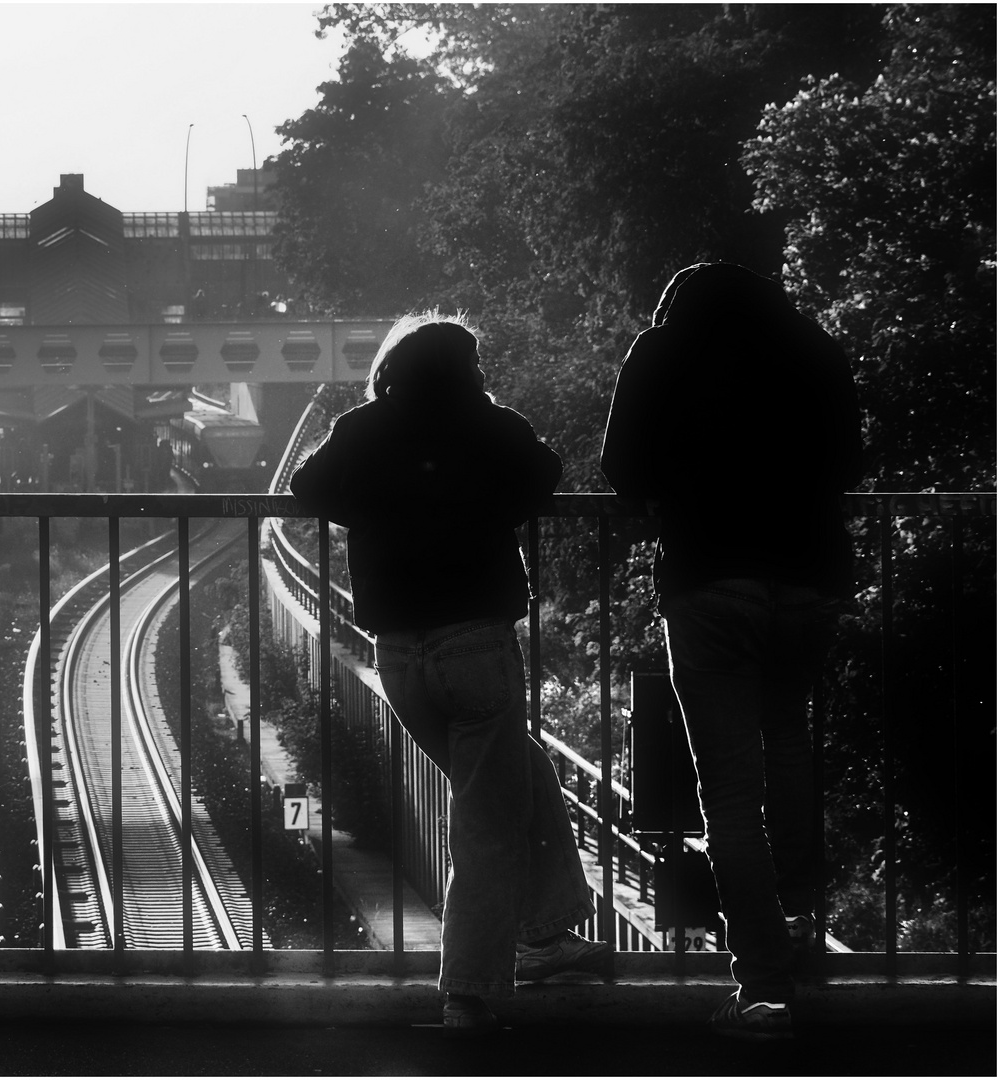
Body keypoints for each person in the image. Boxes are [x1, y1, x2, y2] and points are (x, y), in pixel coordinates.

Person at [291, 313, 608, 1036]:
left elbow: (311, 490)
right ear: (469, 370)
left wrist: (374, 510)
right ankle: (471, 988)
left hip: (398, 655)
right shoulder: (490, 426)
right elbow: (545, 479)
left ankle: (549, 929)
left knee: (521, 776)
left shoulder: (362, 427)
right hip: (475, 646)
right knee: (486, 820)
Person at [601, 262, 864, 1041]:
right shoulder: (813, 346)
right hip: (809, 580)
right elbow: (850, 462)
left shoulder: (660, 351)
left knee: (727, 793)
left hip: (708, 580)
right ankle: (799, 924)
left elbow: (621, 467)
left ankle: (763, 985)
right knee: (787, 747)